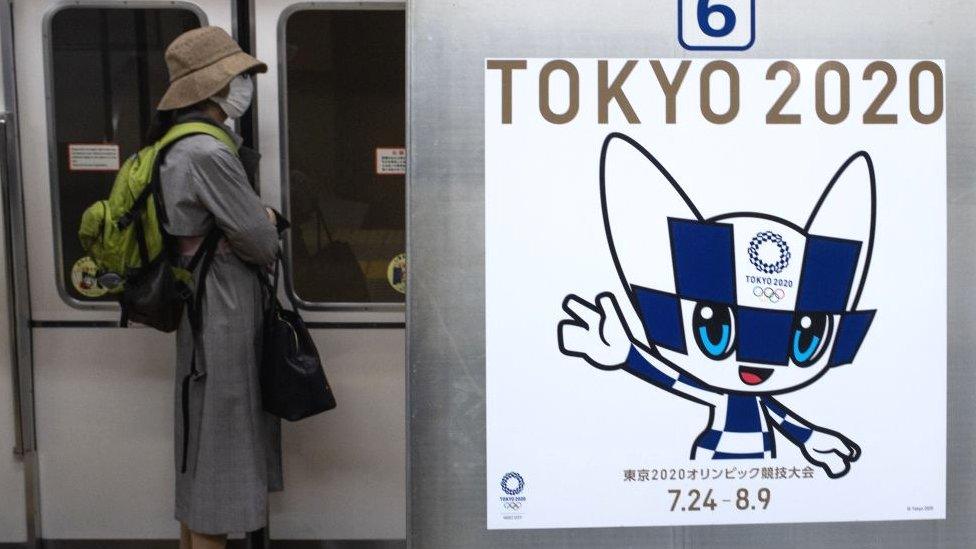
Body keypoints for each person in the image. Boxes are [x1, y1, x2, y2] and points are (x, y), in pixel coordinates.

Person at [152, 26, 281, 549]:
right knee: (224, 441)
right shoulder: (208, 152)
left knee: (202, 438)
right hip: (224, 307)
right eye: (237, 76)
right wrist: (268, 218)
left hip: (199, 303)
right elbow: (259, 242)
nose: (244, 86)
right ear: (212, 88)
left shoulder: (174, 144)